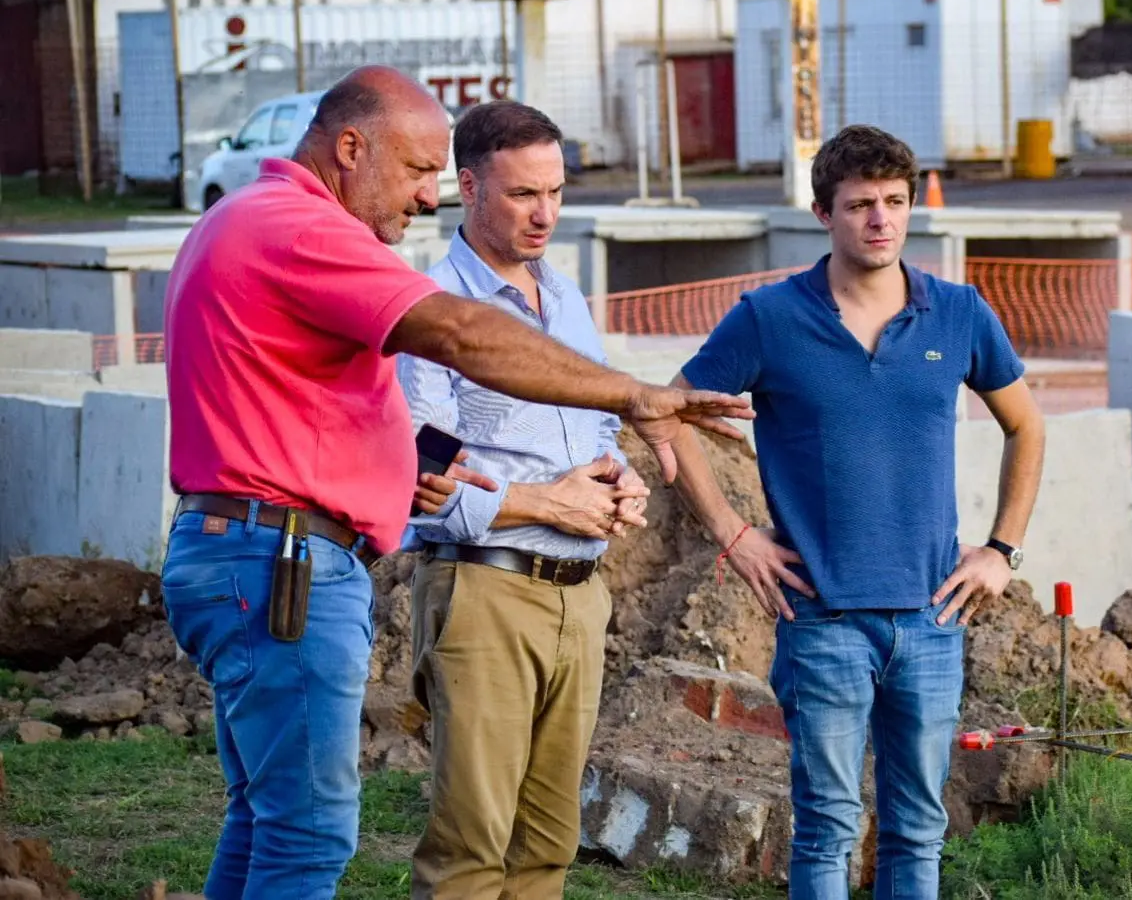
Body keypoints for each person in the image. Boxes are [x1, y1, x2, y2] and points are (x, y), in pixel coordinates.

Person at [159, 66, 751, 900]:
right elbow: (463, 335)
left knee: (267, 821)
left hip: (256, 547)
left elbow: (304, 408)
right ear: (351, 147)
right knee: (309, 835)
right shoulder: (300, 226)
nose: (427, 195)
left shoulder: (247, 218)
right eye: (417, 170)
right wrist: (632, 391)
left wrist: (412, 469)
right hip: (285, 559)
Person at [663, 125, 1045, 899]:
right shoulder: (769, 318)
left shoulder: (959, 313)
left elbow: (1026, 425)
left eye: (896, 203)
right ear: (822, 213)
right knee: (828, 827)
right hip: (823, 620)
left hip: (933, 619)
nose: (882, 220)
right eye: (861, 204)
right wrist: (733, 536)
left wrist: (1002, 550)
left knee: (917, 830)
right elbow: (666, 414)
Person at [396, 100, 647, 900]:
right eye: (522, 195)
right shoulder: (428, 307)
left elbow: (595, 430)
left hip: (581, 594)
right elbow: (417, 474)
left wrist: (617, 475)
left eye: (556, 192)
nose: (545, 214)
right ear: (466, 188)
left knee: (547, 842)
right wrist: (547, 504)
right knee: (472, 844)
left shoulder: (566, 299)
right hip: (484, 587)